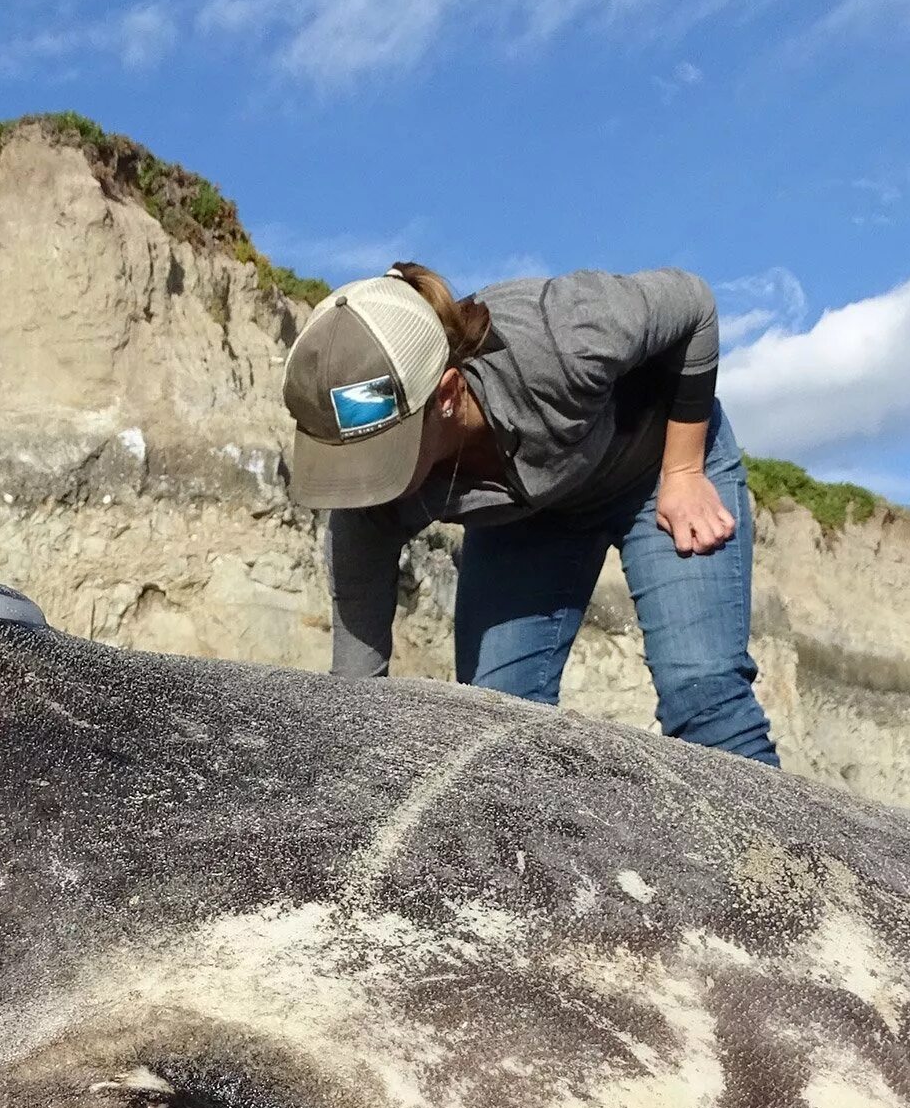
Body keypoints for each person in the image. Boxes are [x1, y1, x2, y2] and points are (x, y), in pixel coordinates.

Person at [281, 261, 777, 766]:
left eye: (384, 455)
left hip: (655, 470)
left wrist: (684, 471)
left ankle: (777, 847)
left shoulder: (560, 335)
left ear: (448, 395)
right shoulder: (369, 507)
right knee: (493, 724)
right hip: (530, 518)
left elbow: (693, 304)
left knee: (704, 695)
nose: (366, 484)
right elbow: (357, 689)